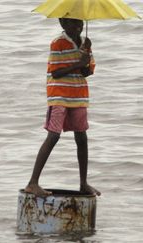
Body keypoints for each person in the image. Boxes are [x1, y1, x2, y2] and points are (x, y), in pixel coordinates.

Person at [24, 18, 101, 197]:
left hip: (78, 95)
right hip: (58, 94)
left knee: (82, 137)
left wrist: (86, 60)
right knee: (53, 135)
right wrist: (77, 64)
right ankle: (33, 182)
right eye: (73, 24)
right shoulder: (57, 43)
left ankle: (83, 183)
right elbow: (55, 72)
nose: (78, 27)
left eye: (80, 24)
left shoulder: (85, 43)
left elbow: (87, 72)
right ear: (63, 24)